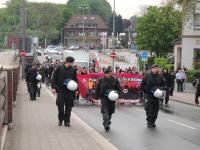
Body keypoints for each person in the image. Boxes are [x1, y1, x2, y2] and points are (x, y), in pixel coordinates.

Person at [51, 56, 79, 127]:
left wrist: (76, 90)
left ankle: (67, 121)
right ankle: (60, 120)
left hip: (70, 91)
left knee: (69, 106)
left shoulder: (73, 70)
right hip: (60, 90)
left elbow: (75, 80)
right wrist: (53, 87)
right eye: (71, 63)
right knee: (60, 105)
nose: (72, 64)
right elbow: (54, 78)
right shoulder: (59, 68)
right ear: (68, 62)